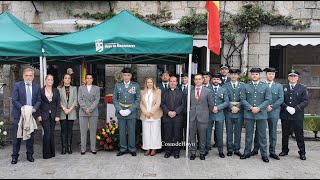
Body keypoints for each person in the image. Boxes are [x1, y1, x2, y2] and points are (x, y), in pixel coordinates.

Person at [251, 68, 284, 160]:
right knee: (259, 131)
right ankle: (255, 149)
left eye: (273, 74)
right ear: (266, 75)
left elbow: (281, 99)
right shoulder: (261, 85)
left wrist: (272, 106)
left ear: (274, 76)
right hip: (261, 111)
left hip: (273, 112)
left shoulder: (279, 86)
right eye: (269, 74)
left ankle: (272, 151)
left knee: (273, 132)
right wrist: (263, 107)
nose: (271, 76)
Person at [240, 68, 271, 163]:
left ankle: (264, 154)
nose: (254, 76)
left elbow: (268, 99)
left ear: (259, 76)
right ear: (251, 75)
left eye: (256, 74)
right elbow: (242, 99)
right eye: (253, 74)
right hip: (249, 114)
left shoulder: (265, 86)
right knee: (248, 134)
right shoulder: (245, 86)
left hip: (261, 114)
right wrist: (250, 108)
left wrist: (259, 108)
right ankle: (247, 152)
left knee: (262, 135)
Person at [11, 67, 41, 164]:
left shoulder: (37, 87)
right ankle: (15, 156)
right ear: (23, 76)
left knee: (30, 136)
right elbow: (14, 100)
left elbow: (39, 100)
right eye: (26, 75)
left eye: (30, 75)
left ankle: (30, 155)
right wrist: (23, 109)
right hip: (19, 114)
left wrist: (34, 109)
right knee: (17, 137)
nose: (28, 77)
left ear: (33, 76)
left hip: (31, 115)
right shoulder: (17, 85)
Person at [279, 70, 309, 160]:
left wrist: (295, 109)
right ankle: (285, 150)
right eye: (291, 76)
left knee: (299, 134)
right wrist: (286, 107)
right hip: (286, 114)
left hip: (297, 115)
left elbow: (306, 101)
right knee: (285, 134)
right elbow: (280, 100)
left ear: (297, 78)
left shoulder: (302, 88)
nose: (292, 78)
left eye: (294, 76)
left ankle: (302, 152)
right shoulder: (283, 87)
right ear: (288, 78)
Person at [113, 67, 141, 156]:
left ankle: (132, 149)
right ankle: (123, 148)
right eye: (125, 75)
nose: (126, 77)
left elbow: (137, 99)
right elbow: (114, 99)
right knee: (122, 131)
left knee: (132, 131)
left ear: (131, 76)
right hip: (120, 111)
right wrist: (119, 110)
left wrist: (130, 110)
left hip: (131, 112)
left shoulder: (135, 85)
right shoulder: (118, 85)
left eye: (128, 75)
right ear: (122, 75)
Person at [189, 73, 215, 160]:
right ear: (194, 80)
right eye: (196, 79)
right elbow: (187, 104)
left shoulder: (207, 91)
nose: (198, 81)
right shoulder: (190, 90)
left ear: (203, 80)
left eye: (199, 79)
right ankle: (193, 152)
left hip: (203, 117)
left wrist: (206, 113)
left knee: (202, 136)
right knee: (192, 136)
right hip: (192, 117)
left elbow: (211, 105)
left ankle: (202, 152)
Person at [161, 76, 186, 159]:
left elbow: (183, 104)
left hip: (178, 117)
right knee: (167, 135)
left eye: (174, 81)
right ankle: (168, 151)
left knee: (177, 135)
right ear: (169, 82)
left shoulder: (182, 93)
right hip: (167, 117)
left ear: (177, 82)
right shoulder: (164, 92)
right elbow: (162, 104)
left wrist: (175, 112)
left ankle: (176, 151)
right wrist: (168, 112)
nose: (172, 82)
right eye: (171, 81)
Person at [37, 74, 61, 159]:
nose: (50, 81)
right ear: (45, 80)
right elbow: (38, 103)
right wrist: (39, 115)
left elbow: (58, 104)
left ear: (53, 81)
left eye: (51, 80)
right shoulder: (41, 90)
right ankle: (46, 154)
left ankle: (52, 153)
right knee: (47, 133)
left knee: (51, 133)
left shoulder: (56, 91)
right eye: (48, 80)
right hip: (44, 115)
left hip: (53, 115)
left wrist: (58, 115)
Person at [205, 73, 229, 158]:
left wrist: (218, 107)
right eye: (214, 79)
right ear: (211, 80)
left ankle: (221, 151)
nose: (215, 81)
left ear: (220, 80)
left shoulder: (223, 90)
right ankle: (206, 149)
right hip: (209, 114)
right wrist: (211, 108)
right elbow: (204, 101)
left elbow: (226, 102)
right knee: (207, 133)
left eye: (217, 79)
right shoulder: (207, 89)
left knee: (219, 133)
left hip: (219, 114)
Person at [223, 69, 245, 157]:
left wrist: (238, 107)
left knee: (238, 131)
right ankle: (229, 148)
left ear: (238, 76)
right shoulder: (225, 86)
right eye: (232, 75)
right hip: (229, 111)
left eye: (235, 75)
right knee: (229, 130)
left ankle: (236, 148)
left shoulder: (243, 86)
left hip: (239, 112)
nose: (234, 76)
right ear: (230, 76)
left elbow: (244, 98)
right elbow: (225, 98)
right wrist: (231, 107)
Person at [78, 73, 100, 155]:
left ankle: (93, 148)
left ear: (93, 79)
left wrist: (90, 109)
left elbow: (97, 99)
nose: (89, 79)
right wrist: (86, 109)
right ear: (85, 79)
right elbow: (79, 99)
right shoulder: (81, 88)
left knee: (93, 131)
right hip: (83, 112)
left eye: (91, 78)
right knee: (83, 131)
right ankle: (83, 149)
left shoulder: (97, 88)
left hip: (93, 112)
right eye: (87, 78)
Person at [140, 77, 163, 156]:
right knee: (146, 132)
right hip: (145, 115)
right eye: (148, 82)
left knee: (155, 132)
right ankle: (147, 148)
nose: (149, 84)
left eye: (151, 82)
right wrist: (146, 112)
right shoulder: (142, 92)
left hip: (155, 115)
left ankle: (154, 148)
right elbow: (141, 104)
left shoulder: (158, 91)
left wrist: (151, 112)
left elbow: (158, 103)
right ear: (146, 83)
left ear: (153, 83)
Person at [58, 73, 78, 154]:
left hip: (71, 111)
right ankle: (63, 147)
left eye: (68, 78)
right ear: (63, 79)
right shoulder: (59, 89)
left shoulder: (74, 88)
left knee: (70, 130)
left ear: (70, 80)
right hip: (62, 112)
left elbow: (75, 100)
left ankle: (69, 147)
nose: (67, 79)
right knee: (63, 130)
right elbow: (58, 100)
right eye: (65, 78)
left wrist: (70, 109)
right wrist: (64, 108)